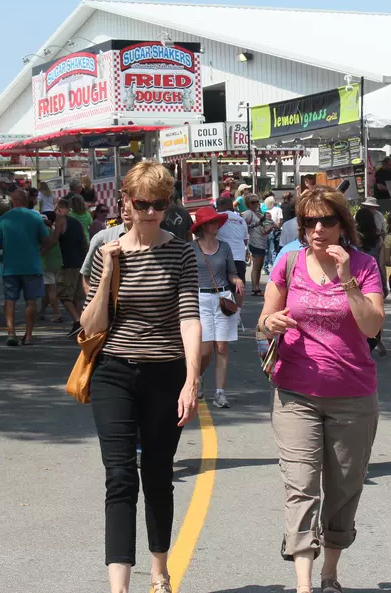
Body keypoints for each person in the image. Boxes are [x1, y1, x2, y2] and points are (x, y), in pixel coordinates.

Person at [80, 161, 201, 593]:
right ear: (125, 203)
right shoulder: (105, 250)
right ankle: (119, 586)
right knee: (119, 477)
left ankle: (160, 570)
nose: (150, 212)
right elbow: (91, 324)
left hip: (165, 373)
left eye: (159, 204)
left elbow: (189, 317)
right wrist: (109, 271)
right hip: (113, 371)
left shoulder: (181, 250)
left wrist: (191, 379)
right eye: (142, 203)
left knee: (156, 473)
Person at [257, 185, 384, 593]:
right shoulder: (289, 263)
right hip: (295, 393)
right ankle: (304, 584)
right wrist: (269, 324)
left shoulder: (363, 266)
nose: (316, 229)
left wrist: (347, 279)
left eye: (326, 221)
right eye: (308, 221)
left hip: (353, 395)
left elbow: (372, 326)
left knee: (344, 489)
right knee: (301, 486)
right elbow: (263, 319)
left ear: (341, 223)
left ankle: (330, 571)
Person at [191, 206, 244, 408]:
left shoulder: (225, 247)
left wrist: (237, 279)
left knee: (222, 346)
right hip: (200, 298)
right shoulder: (191, 247)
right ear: (203, 226)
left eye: (216, 221)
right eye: (212, 222)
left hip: (223, 298)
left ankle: (220, 393)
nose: (216, 225)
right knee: (205, 350)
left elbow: (231, 272)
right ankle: (200, 375)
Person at [0, 189, 49, 346]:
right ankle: (29, 335)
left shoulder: (3, 219)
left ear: (13, 201)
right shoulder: (35, 217)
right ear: (26, 201)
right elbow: (45, 239)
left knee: (10, 299)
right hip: (32, 265)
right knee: (31, 301)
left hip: (11, 266)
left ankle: (11, 333)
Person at [50, 197, 89, 337]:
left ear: (59, 209)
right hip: (80, 262)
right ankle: (79, 327)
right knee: (76, 297)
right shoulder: (77, 222)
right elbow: (85, 242)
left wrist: (41, 251)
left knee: (63, 294)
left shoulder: (61, 220)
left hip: (68, 263)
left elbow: (54, 239)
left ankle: (78, 321)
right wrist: (87, 260)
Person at [356, 207, 388, 356]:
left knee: (360, 310)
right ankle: (378, 338)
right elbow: (382, 262)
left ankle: (362, 340)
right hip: (374, 275)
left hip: (358, 275)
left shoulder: (355, 238)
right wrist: (382, 278)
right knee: (376, 309)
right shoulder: (378, 238)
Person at [83, 203, 131, 291]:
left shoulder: (102, 224)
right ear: (97, 213)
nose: (105, 213)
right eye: (102, 211)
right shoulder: (98, 227)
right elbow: (87, 274)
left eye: (106, 211)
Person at [242, 194, 272, 295]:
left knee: (259, 266)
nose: (255, 204)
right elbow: (242, 225)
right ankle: (255, 288)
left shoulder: (259, 214)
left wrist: (270, 227)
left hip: (262, 242)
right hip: (255, 243)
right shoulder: (248, 213)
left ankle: (256, 287)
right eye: (252, 202)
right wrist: (256, 224)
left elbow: (263, 230)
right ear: (248, 204)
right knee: (256, 267)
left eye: (256, 201)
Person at [215, 196, 249, 284]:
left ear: (221, 206)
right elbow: (245, 240)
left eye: (217, 206)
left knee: (223, 287)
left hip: (222, 257)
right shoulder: (241, 220)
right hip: (239, 257)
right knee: (238, 286)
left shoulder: (216, 218)